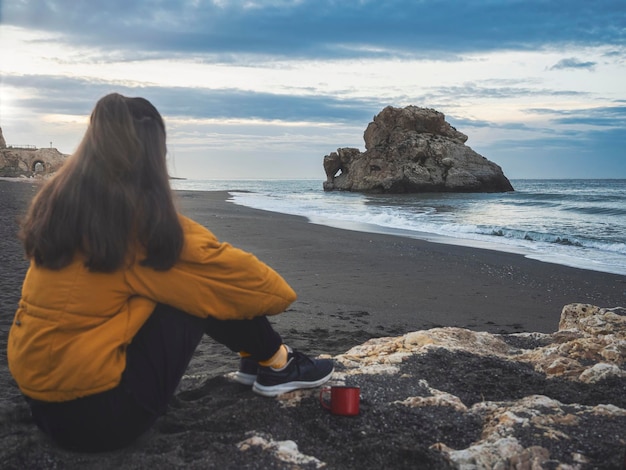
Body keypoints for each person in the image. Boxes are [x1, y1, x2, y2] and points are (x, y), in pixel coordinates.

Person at [7, 93, 333, 452]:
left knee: (178, 282)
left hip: (42, 405)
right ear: (151, 157)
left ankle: (255, 360)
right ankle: (277, 361)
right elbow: (268, 290)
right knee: (198, 285)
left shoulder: (60, 208)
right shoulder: (137, 226)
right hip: (101, 418)